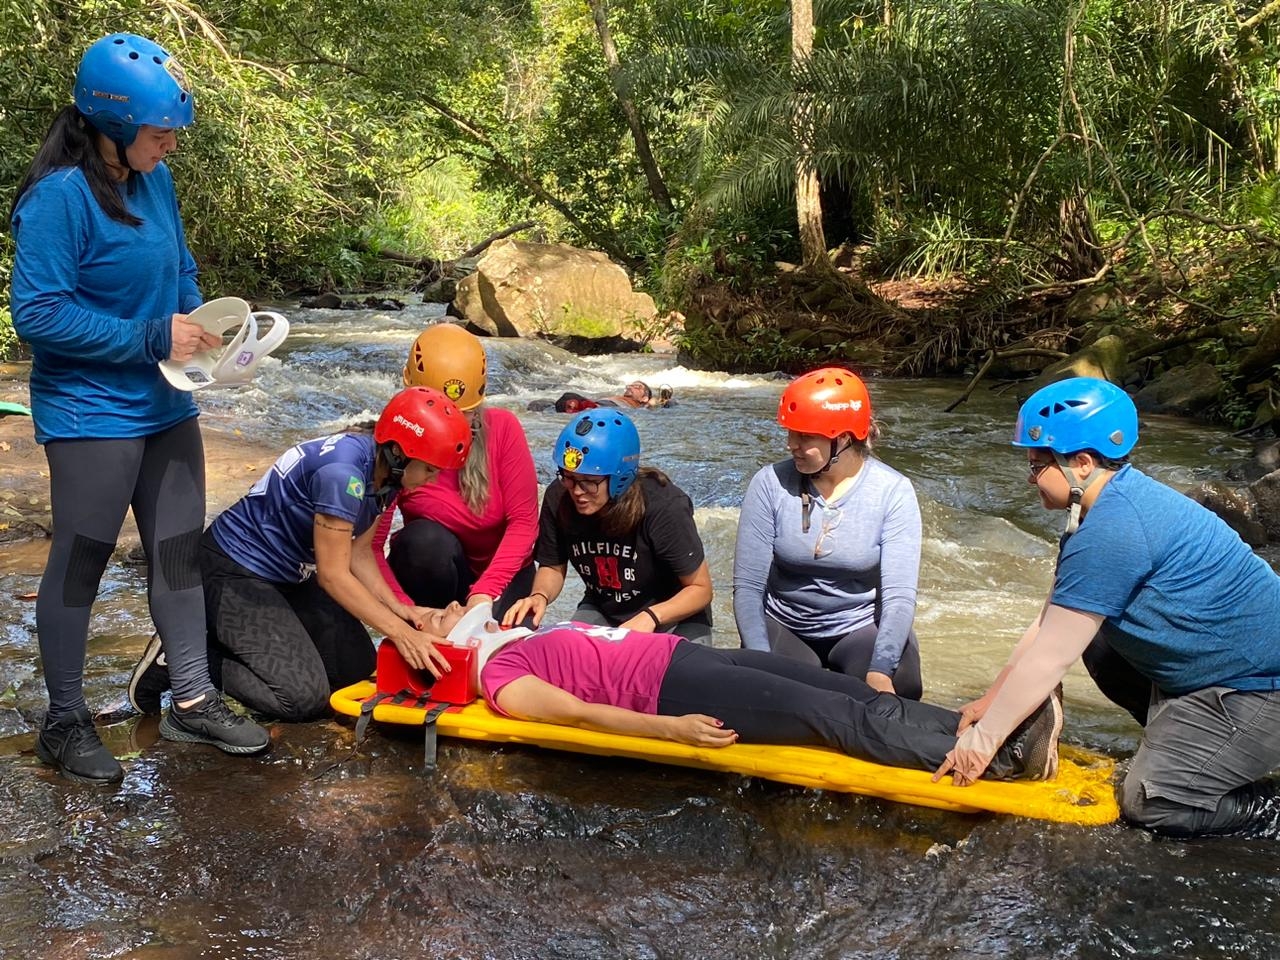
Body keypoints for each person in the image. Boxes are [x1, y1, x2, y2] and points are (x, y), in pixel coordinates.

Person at [9, 32, 269, 782]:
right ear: (111, 125)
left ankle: (191, 700)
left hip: (166, 406)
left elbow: (180, 272)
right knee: (81, 565)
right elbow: (39, 315)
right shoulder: (58, 200)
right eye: (161, 134)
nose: (171, 147)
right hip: (90, 411)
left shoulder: (154, 181)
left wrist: (216, 333)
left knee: (179, 554)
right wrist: (153, 333)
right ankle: (64, 723)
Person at [935, 377, 1280, 838]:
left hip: (1257, 690)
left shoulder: (1115, 529)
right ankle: (1197, 752)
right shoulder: (1104, 508)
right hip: (1213, 675)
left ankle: (1264, 809)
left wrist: (983, 742)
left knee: (1150, 804)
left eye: (1038, 464)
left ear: (1080, 463)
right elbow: (1049, 624)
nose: (1029, 476)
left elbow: (1051, 656)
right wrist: (993, 700)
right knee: (1095, 638)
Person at [131, 387, 472, 722]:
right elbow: (333, 576)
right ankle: (183, 655)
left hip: (289, 575)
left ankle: (226, 643)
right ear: (400, 452)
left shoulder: (385, 476)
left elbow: (360, 553)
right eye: (430, 469)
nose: (434, 478)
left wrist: (399, 610)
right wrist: (401, 632)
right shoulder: (343, 475)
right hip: (233, 570)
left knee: (355, 673)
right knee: (301, 699)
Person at [423, 606, 1061, 782]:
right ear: (444, 655)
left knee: (840, 686)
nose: (445, 607)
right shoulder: (503, 682)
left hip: (684, 657)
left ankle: (969, 726)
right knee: (829, 714)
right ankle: (999, 762)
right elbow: (586, 717)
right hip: (667, 695)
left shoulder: (507, 638)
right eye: (431, 618)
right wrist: (672, 732)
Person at [733, 367, 924, 698]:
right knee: (776, 695)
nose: (791, 444)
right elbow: (748, 588)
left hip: (858, 626)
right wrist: (759, 663)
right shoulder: (769, 483)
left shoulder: (893, 491)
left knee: (902, 685)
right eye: (791, 433)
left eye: (805, 436)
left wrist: (880, 670)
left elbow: (899, 595)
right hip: (786, 624)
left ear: (845, 438)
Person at [370, 324, 538, 620]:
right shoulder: (398, 441)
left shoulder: (503, 429)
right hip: (433, 573)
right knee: (423, 540)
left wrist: (483, 594)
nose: (450, 426)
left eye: (463, 414)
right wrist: (405, 610)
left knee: (499, 656)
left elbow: (524, 523)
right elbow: (369, 544)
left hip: (502, 575)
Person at [502, 411, 713, 642]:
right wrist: (539, 596)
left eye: (589, 482)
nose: (577, 491)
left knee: (676, 675)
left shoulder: (664, 507)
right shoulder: (559, 496)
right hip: (604, 609)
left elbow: (701, 589)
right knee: (565, 657)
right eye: (568, 477)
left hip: (673, 615)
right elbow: (552, 566)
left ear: (620, 477)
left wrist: (651, 617)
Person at [527, 380, 673, 414]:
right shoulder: (619, 396)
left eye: (637, 387)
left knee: (569, 398)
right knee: (538, 404)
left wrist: (657, 402)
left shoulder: (644, 404)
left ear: (644, 398)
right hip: (598, 404)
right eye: (629, 385)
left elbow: (656, 405)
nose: (630, 387)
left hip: (603, 408)